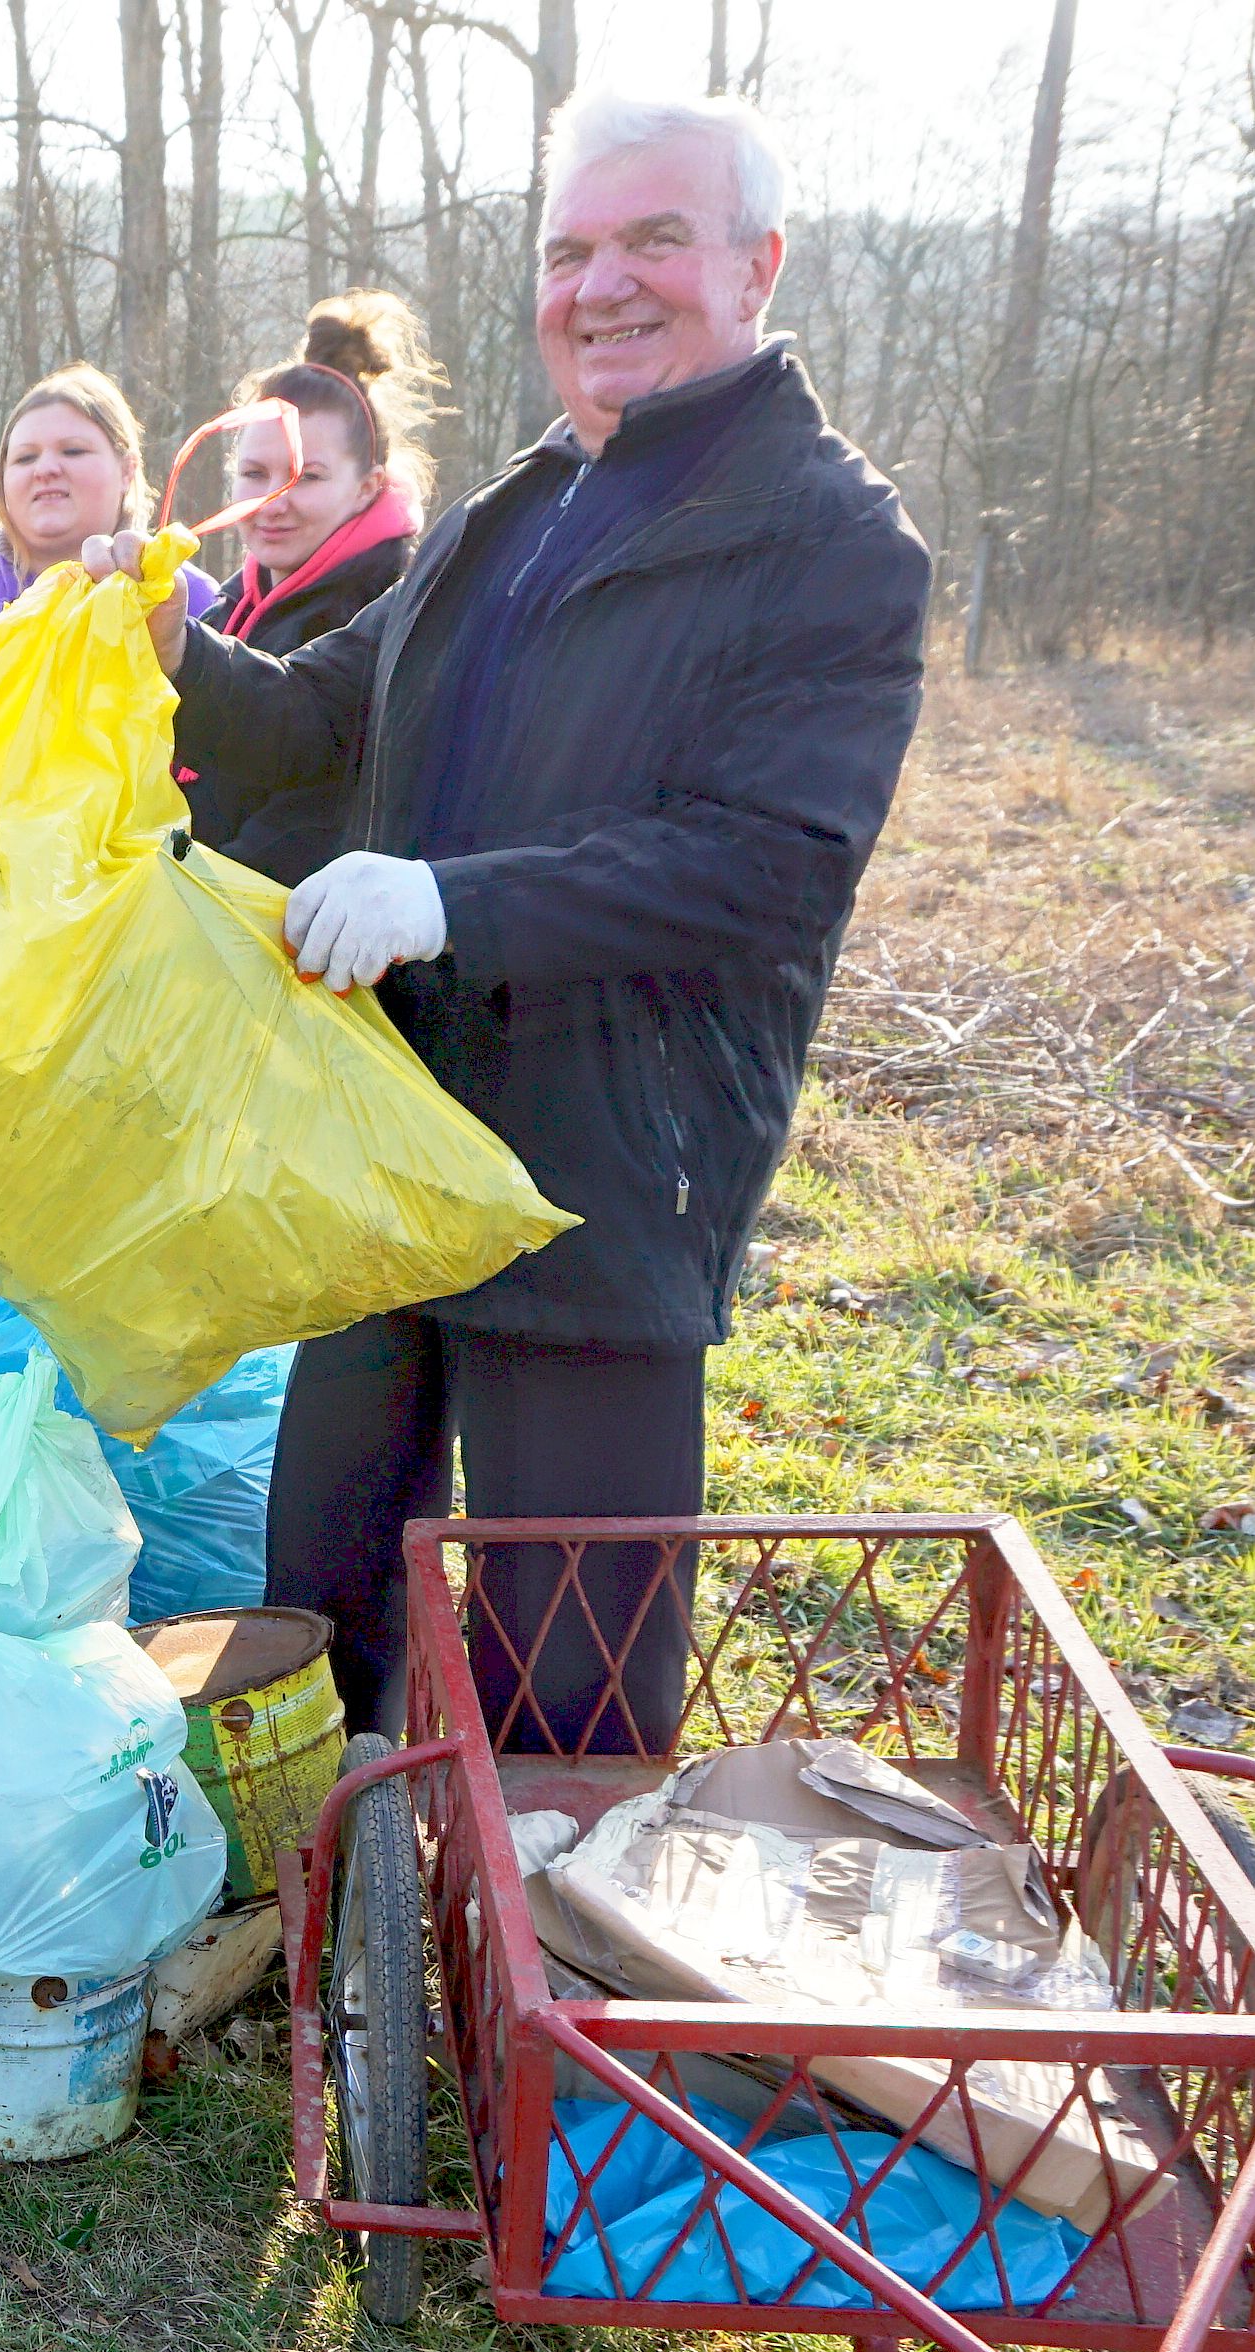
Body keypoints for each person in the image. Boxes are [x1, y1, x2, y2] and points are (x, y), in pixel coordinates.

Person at [102, 88, 929, 1752]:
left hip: (599, 1182)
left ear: (755, 265)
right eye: (568, 252)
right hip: (388, 1141)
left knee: (572, 1668)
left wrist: (445, 904)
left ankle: (545, 1905)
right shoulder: (511, 511)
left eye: (652, 242)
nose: (600, 286)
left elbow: (764, 863)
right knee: (325, 1588)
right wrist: (165, 644)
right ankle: (343, 1863)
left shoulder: (827, 536)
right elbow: (314, 718)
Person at [180, 294, 440, 885]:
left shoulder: (387, 615)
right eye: (254, 474)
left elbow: (310, 824)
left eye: (307, 477)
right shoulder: (230, 608)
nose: (273, 501)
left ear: (368, 486)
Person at [0, 367, 221, 647]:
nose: (45, 469)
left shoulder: (187, 599)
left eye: (73, 451)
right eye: (25, 457)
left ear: (127, 470)